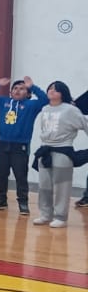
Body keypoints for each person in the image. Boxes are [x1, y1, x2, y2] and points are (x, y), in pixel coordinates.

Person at [0, 76, 47, 214]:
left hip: (20, 146)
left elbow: (45, 100)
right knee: (1, 174)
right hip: (2, 144)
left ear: (28, 94)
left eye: (22, 89)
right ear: (11, 92)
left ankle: (23, 202)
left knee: (20, 175)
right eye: (15, 88)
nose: (17, 90)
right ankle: (1, 200)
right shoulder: (3, 102)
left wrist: (32, 86)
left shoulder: (31, 105)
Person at [31, 81, 88, 227]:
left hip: (63, 150)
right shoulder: (45, 109)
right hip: (45, 150)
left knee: (62, 187)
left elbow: (84, 124)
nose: (51, 91)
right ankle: (45, 214)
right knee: (44, 186)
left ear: (63, 93)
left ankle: (61, 217)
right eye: (50, 88)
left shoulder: (71, 110)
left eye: (56, 90)